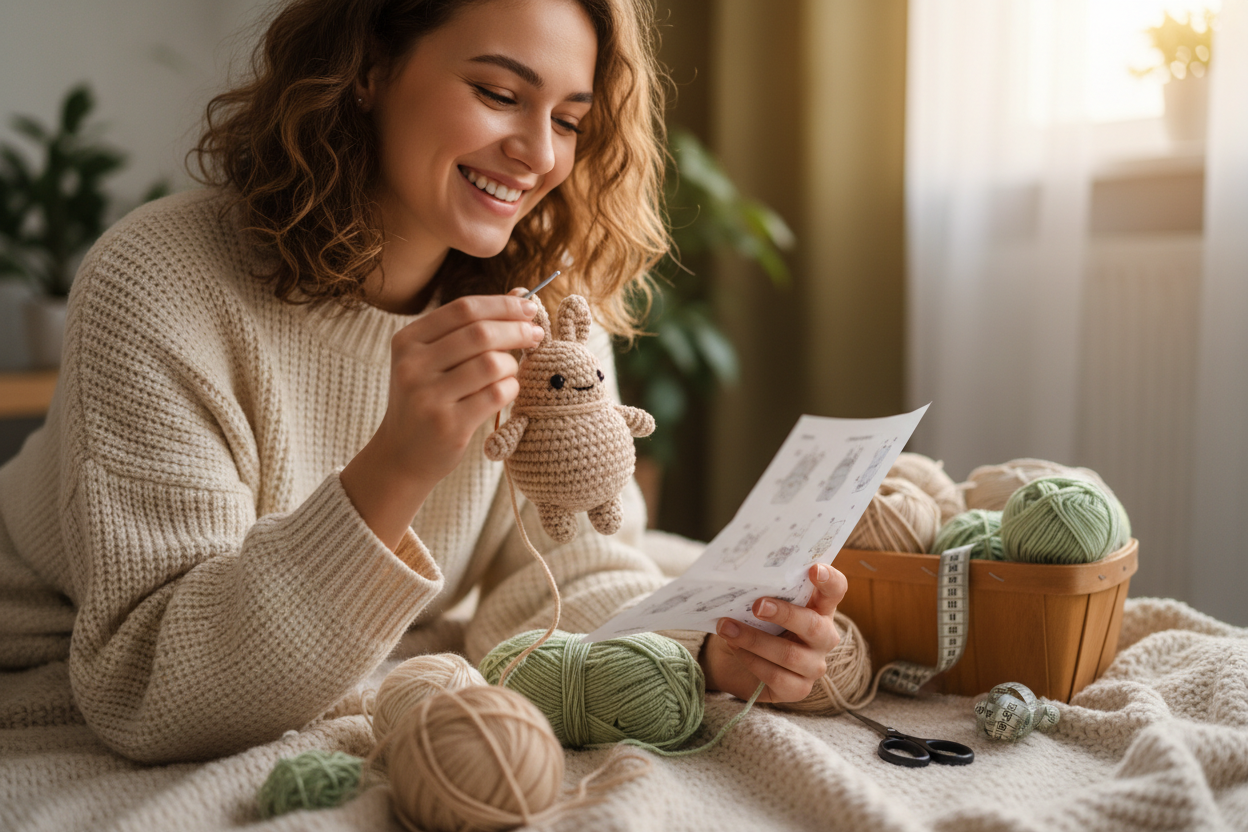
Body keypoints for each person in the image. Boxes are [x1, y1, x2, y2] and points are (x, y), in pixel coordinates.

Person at [0, 0, 847, 764]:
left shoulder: (543, 301)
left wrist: (707, 649)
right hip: (52, 644)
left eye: (569, 118)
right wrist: (398, 465)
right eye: (498, 93)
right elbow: (152, 684)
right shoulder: (157, 282)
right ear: (368, 67)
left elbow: (563, 572)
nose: (539, 153)